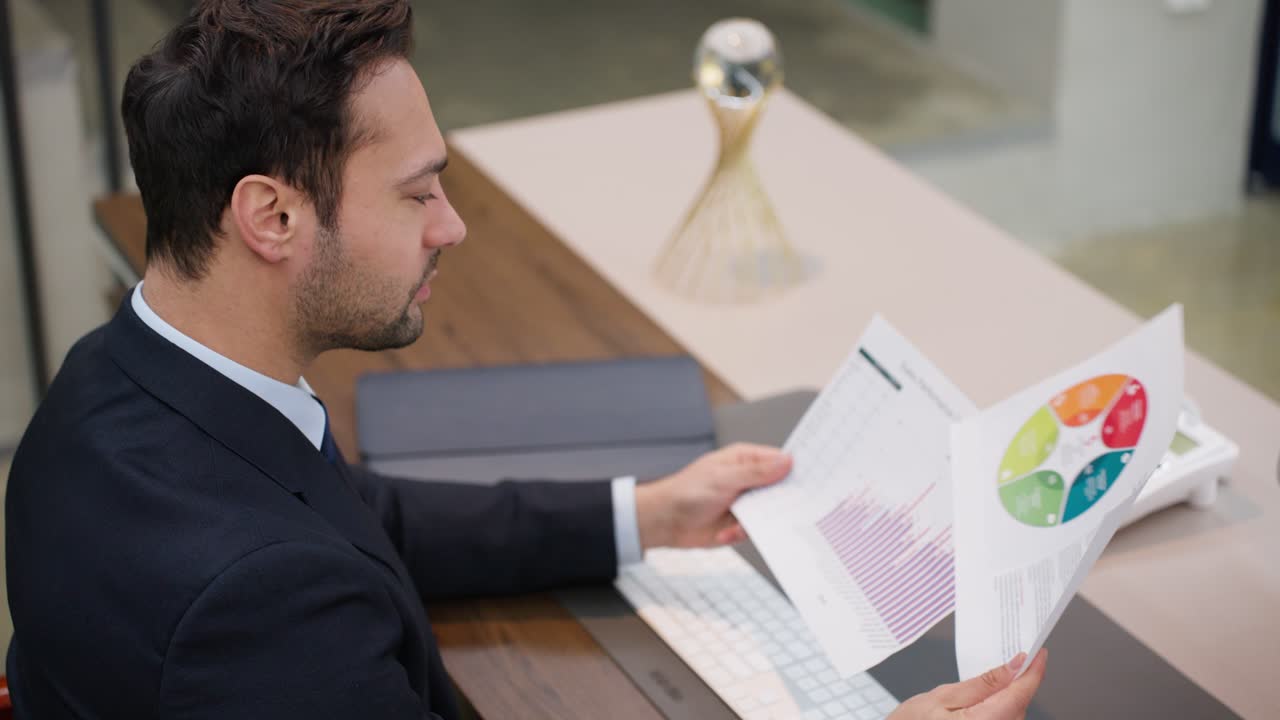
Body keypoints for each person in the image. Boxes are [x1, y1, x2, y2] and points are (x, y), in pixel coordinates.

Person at [4, 1, 1046, 717]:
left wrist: (643, 514)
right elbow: (304, 567)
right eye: (416, 193)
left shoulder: (109, 384)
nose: (451, 226)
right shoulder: (263, 613)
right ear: (270, 215)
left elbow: (353, 514)